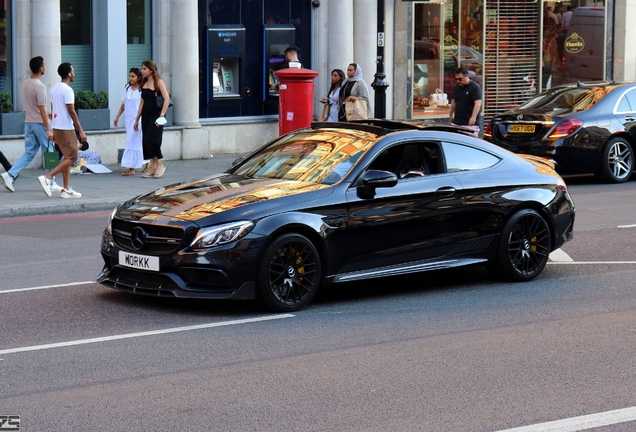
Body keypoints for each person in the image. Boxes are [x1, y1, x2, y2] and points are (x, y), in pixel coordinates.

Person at [2, 56, 58, 193]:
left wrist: (45, 115)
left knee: (29, 153)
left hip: (29, 123)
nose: (45, 67)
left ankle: (10, 175)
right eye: (44, 65)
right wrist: (48, 128)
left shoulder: (26, 83)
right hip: (40, 124)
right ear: (40, 68)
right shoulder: (41, 87)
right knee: (50, 152)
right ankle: (50, 182)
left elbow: (35, 106)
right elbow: (42, 109)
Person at [37, 62, 86, 198]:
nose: (74, 74)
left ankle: (66, 188)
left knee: (66, 157)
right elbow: (72, 112)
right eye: (73, 71)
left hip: (56, 126)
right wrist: (81, 130)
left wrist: (51, 128)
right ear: (69, 74)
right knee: (73, 156)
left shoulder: (54, 88)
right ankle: (48, 177)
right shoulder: (67, 90)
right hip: (65, 127)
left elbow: (54, 109)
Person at [134, 60, 169, 179]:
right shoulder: (143, 83)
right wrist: (137, 119)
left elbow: (166, 99)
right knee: (146, 141)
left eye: (144, 69)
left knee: (152, 140)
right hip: (146, 115)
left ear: (151, 70)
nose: (142, 71)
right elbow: (142, 103)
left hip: (156, 114)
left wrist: (162, 115)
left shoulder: (158, 82)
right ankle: (152, 167)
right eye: (142, 68)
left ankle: (159, 165)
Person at [114, 67, 144, 176]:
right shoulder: (127, 88)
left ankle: (132, 168)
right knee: (133, 141)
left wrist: (138, 119)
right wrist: (117, 117)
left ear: (139, 78)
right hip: (128, 119)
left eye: (133, 76)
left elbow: (142, 105)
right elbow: (123, 104)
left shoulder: (141, 90)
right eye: (130, 76)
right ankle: (145, 163)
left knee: (133, 141)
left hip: (137, 119)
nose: (130, 78)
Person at [449, 67, 482, 136]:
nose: (458, 81)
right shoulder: (457, 87)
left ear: (467, 76)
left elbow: (478, 103)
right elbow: (454, 100)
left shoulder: (474, 87)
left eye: (460, 79)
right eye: (456, 79)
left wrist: (473, 117)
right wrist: (451, 113)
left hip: (469, 123)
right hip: (457, 122)